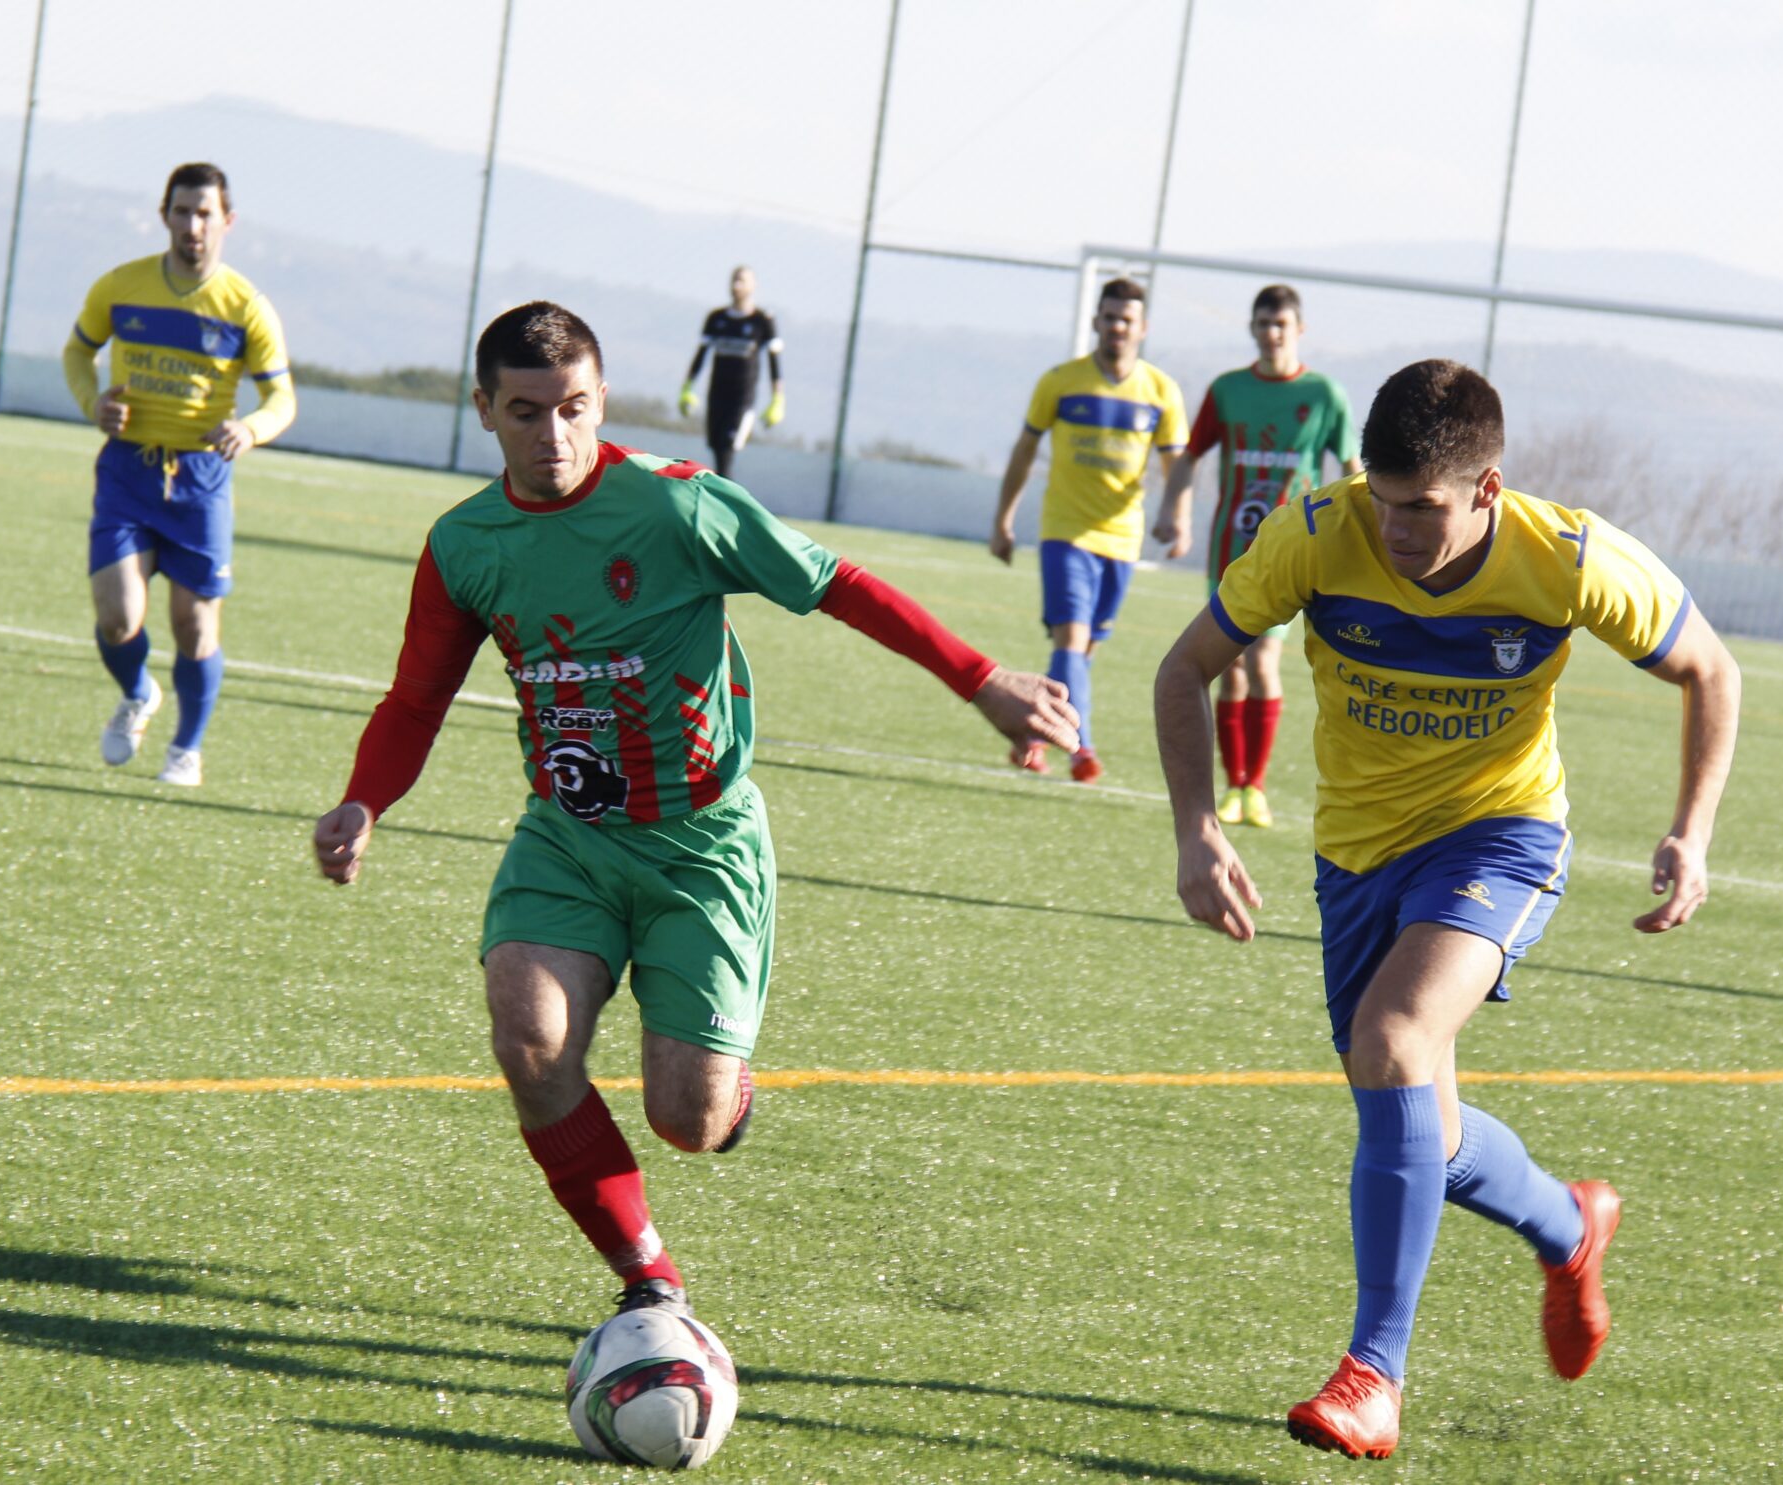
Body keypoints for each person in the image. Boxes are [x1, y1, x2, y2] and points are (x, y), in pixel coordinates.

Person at [315, 301, 1076, 1330]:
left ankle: (724, 1098)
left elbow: (835, 584)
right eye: (527, 412)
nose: (554, 436)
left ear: (601, 397)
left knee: (688, 1120)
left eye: (574, 407)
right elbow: (416, 700)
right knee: (528, 1037)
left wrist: (979, 680)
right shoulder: (465, 544)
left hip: (702, 846)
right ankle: (647, 1279)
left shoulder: (678, 508)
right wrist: (367, 797)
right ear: (484, 411)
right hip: (568, 839)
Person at [1151, 359, 1739, 1460]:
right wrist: (1196, 828)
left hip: (1500, 836)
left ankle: (1374, 1373)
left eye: (1423, 509)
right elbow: (1183, 669)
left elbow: (1710, 670)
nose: (1399, 531)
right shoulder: (1314, 533)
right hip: (1357, 856)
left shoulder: (1566, 557)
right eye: (1384, 502)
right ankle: (1569, 1226)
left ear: (1485, 489)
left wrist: (1690, 833)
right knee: (1413, 1114)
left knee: (1396, 1038)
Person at [63, 162, 294, 788]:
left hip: (200, 480)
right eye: (183, 212)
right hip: (128, 471)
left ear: (227, 221)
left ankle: (186, 749)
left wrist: (250, 428)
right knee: (118, 617)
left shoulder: (246, 306)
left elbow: (282, 400)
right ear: (164, 214)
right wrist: (94, 404)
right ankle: (139, 692)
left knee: (194, 627)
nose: (193, 225)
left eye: (205, 214)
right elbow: (77, 352)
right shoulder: (121, 287)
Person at [1153, 283, 1356, 829]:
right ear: (1252, 329)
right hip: (1232, 547)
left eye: (1281, 326)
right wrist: (1173, 509)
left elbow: (1352, 470)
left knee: (1264, 663)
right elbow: (1190, 455)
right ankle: (1234, 787)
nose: (1271, 335)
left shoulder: (1324, 395)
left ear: (1299, 330)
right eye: (1263, 325)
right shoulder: (1227, 391)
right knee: (1231, 670)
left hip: (1297, 552)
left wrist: (1366, 533)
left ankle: (1256, 786)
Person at [990, 276, 1190, 785]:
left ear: (1141, 328)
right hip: (1066, 533)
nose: (1117, 327)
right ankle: (1082, 748)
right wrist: (1004, 519)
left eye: (1127, 320)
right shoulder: (1060, 381)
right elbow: (1024, 451)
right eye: (1109, 318)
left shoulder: (1161, 392)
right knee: (1072, 639)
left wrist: (1177, 515)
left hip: (1122, 539)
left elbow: (1177, 464)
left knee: (1080, 651)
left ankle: (1035, 737)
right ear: (1096, 321)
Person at [677, 266, 782, 482]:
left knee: (727, 450)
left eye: (742, 280)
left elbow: (774, 361)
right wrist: (687, 388)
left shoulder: (762, 321)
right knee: (717, 447)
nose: (737, 285)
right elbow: (701, 355)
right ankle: (724, 502)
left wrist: (777, 399)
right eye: (734, 280)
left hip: (742, 399)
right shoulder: (716, 318)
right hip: (717, 394)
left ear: (754, 285)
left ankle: (725, 506)